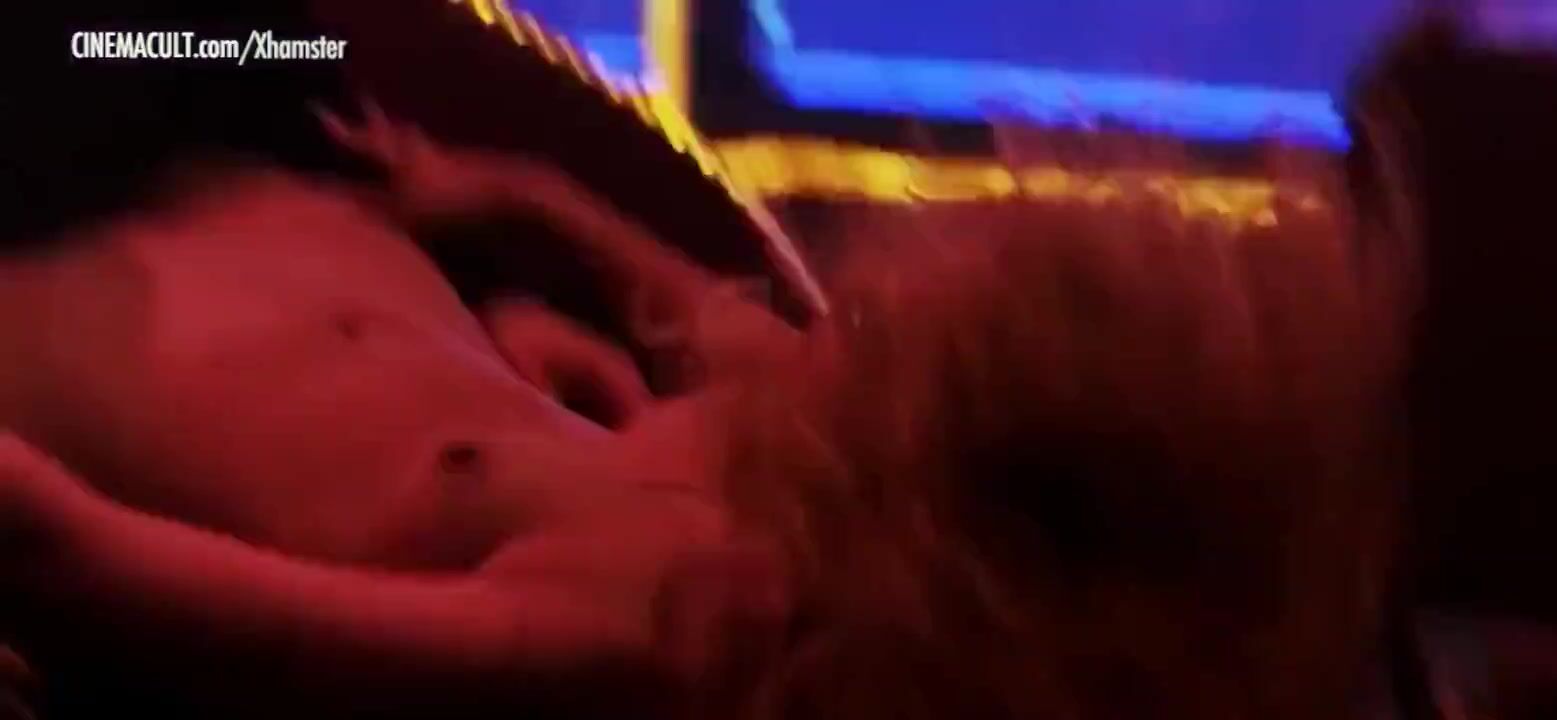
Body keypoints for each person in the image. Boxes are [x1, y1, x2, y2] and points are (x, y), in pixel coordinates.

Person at [2, 106, 1408, 719]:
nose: (853, 318)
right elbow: (689, 300)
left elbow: (86, 570)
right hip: (260, 142)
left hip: (44, 230)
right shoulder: (800, 449)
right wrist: (511, 204)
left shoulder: (644, 636)